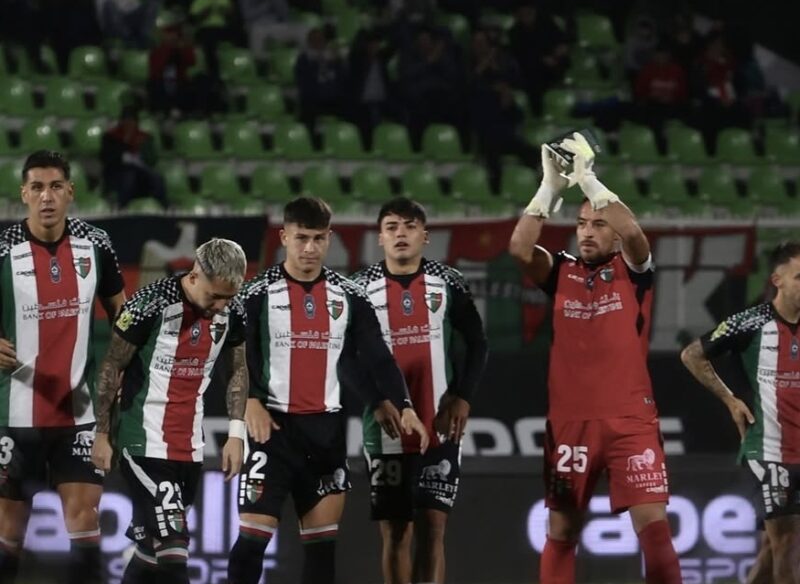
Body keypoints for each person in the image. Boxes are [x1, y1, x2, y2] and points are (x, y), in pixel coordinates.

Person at [508, 133, 682, 584]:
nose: (587, 230)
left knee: (656, 532)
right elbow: (520, 251)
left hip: (630, 421)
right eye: (582, 223)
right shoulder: (561, 270)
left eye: (597, 224)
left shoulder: (633, 270)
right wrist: (549, 190)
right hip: (571, 422)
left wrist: (590, 182)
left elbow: (635, 234)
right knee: (562, 532)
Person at [227, 197, 429, 584]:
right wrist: (250, 400)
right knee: (252, 541)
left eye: (319, 239)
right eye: (301, 237)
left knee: (320, 549)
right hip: (272, 433)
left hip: (327, 435)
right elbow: (236, 355)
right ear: (284, 236)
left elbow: (378, 356)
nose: (309, 248)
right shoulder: (256, 295)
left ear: (329, 239)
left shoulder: (349, 295)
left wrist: (402, 404)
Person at [0, 150, 126, 583]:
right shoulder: (2, 249)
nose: (46, 196)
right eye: (37, 187)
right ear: (24, 194)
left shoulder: (97, 244)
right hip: (14, 413)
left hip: (80, 411)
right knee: (9, 529)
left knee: (84, 517)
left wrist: (120, 369)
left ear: (71, 191)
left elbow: (122, 314)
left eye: (55, 186)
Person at [90, 238, 249, 583]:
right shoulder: (149, 304)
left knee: (150, 552)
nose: (222, 306)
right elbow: (112, 366)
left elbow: (237, 367)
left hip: (189, 447)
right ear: (194, 276)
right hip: (143, 442)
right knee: (175, 550)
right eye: (215, 297)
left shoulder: (233, 310)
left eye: (229, 297)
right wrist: (102, 433)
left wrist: (236, 433)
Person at [352, 197, 488, 584]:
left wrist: (463, 395)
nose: (400, 234)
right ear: (380, 237)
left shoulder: (448, 281)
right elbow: (347, 355)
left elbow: (477, 342)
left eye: (410, 226)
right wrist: (376, 400)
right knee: (396, 532)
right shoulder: (359, 289)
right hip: (387, 428)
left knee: (433, 528)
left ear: (425, 236)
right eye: (391, 227)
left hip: (440, 423)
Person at [680, 241, 800, 584]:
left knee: (774, 548)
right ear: (777, 279)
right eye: (799, 277)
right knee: (788, 544)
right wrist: (731, 399)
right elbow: (692, 355)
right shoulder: (751, 322)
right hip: (770, 452)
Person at [101, 106, 168, 209]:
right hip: (117, 174)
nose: (129, 124)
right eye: (126, 120)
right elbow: (106, 159)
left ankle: (163, 208)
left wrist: (141, 157)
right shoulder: (111, 137)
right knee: (129, 177)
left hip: (141, 174)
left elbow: (152, 160)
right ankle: (121, 208)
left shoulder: (144, 138)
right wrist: (123, 150)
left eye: (131, 121)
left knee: (157, 178)